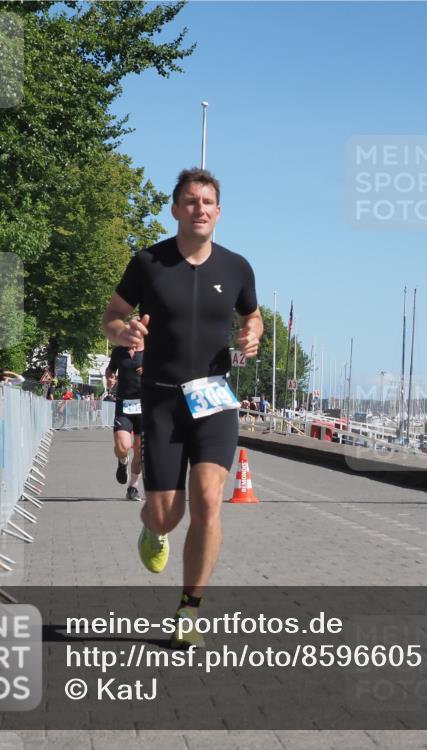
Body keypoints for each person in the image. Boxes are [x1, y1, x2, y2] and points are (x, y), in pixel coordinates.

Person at [101, 167, 262, 649]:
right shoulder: (149, 262)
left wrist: (253, 333)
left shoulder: (237, 268)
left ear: (219, 211)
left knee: (210, 500)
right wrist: (122, 332)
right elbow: (110, 316)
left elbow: (250, 316)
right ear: (175, 209)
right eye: (191, 201)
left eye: (208, 202)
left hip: (213, 397)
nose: (200, 209)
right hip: (163, 398)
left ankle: (189, 609)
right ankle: (154, 529)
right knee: (166, 515)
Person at [105, 341, 145, 500]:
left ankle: (133, 487)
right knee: (123, 446)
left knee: (140, 450)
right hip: (124, 404)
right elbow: (110, 369)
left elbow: (167, 371)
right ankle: (123, 462)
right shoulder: (119, 352)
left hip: (145, 405)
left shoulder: (153, 350)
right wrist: (110, 378)